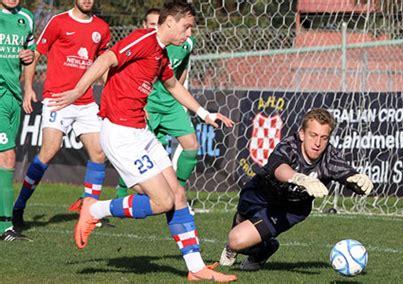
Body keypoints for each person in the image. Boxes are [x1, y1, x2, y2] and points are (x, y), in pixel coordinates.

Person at [51, 1, 237, 282]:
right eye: (186, 27)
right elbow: (105, 60)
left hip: (140, 132)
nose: (188, 34)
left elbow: (173, 85)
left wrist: (203, 113)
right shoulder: (142, 39)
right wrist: (78, 90)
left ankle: (196, 268)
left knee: (177, 196)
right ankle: (95, 209)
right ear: (170, 22)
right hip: (121, 135)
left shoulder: (161, 54)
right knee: (161, 201)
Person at [219, 108, 374, 271]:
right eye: (313, 135)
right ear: (302, 134)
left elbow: (346, 173)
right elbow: (278, 167)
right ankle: (237, 246)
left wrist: (357, 180)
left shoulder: (330, 157)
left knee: (236, 240)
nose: (317, 143)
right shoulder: (289, 146)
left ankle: (265, 249)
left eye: (324, 138)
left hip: (288, 209)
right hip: (260, 192)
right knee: (240, 219)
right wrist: (298, 178)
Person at [12, 0, 111, 228]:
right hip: (57, 99)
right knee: (49, 150)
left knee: (98, 153)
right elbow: (36, 54)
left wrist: (110, 93)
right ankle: (19, 205)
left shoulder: (102, 28)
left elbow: (104, 64)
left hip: (85, 101)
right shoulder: (58, 22)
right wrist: (28, 88)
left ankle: (90, 210)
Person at [115, 8, 198, 198]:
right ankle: (121, 193)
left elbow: (181, 72)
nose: (188, 33)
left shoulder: (186, 44)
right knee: (144, 152)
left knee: (191, 146)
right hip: (150, 102)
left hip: (171, 105)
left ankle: (178, 191)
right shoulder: (151, 44)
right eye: (151, 24)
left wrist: (182, 95)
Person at [0, 0, 35, 241]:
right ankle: (5, 226)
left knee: (5, 157)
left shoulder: (27, 18)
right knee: (7, 156)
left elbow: (30, 57)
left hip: (14, 96)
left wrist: (29, 88)